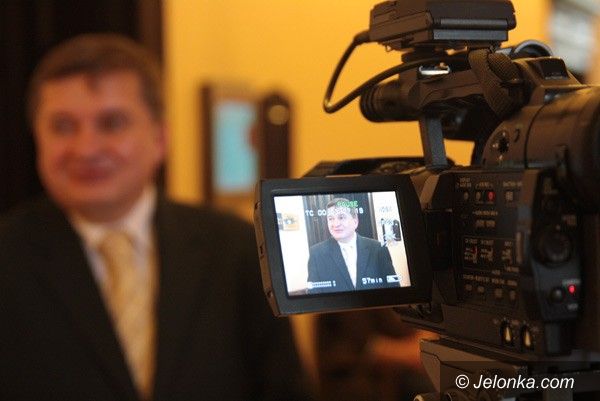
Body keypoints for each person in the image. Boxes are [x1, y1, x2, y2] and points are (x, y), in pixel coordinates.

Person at [0, 34, 307, 401]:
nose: (86, 148)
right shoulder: (8, 256)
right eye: (63, 126)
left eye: (112, 123)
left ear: (160, 138)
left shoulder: (240, 249)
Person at [307, 198, 397, 294]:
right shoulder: (316, 253)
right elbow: (314, 293)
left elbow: (393, 288)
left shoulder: (378, 249)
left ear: (355, 221)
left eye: (341, 217)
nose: (335, 224)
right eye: (331, 219)